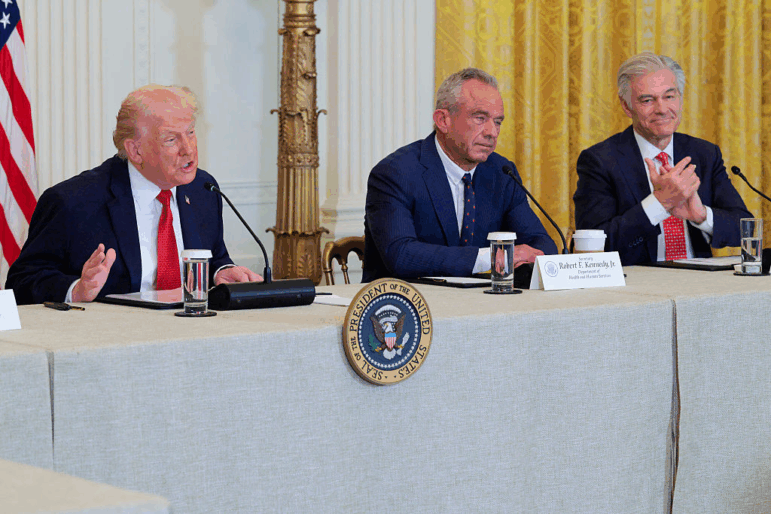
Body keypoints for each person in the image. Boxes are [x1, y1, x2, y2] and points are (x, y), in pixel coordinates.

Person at [6, 85, 262, 304]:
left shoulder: (204, 189)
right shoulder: (74, 202)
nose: (189, 149)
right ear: (135, 151)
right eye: (171, 139)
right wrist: (76, 289)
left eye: (191, 132)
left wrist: (222, 272)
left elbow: (215, 258)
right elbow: (22, 282)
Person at [363, 68, 558, 282]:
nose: (492, 132)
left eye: (498, 122)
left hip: (483, 306)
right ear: (443, 120)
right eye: (480, 118)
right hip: (407, 307)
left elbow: (541, 243)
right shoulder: (396, 173)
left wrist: (526, 257)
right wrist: (492, 259)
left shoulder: (502, 173)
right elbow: (401, 255)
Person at [574, 52, 751, 266]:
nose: (661, 109)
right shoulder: (600, 160)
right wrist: (660, 203)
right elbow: (593, 245)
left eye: (669, 96)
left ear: (681, 99)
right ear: (626, 106)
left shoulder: (704, 153)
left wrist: (701, 216)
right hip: (638, 288)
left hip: (701, 283)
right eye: (647, 100)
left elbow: (745, 230)